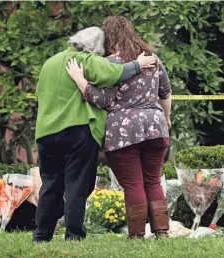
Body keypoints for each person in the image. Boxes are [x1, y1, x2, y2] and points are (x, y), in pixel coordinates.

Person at [33, 26, 157, 243]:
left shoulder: (49, 63)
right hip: (77, 131)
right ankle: (73, 235)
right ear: (96, 48)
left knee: (51, 184)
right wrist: (139, 64)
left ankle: (41, 236)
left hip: (46, 133)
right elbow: (115, 73)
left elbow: (38, 97)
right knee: (77, 184)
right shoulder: (87, 60)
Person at [66, 16, 172, 239]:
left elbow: (101, 99)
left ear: (109, 38)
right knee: (152, 179)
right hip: (156, 126)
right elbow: (166, 93)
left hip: (123, 132)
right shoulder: (152, 59)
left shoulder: (111, 64)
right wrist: (167, 117)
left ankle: (137, 235)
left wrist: (79, 79)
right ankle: (162, 231)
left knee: (133, 183)